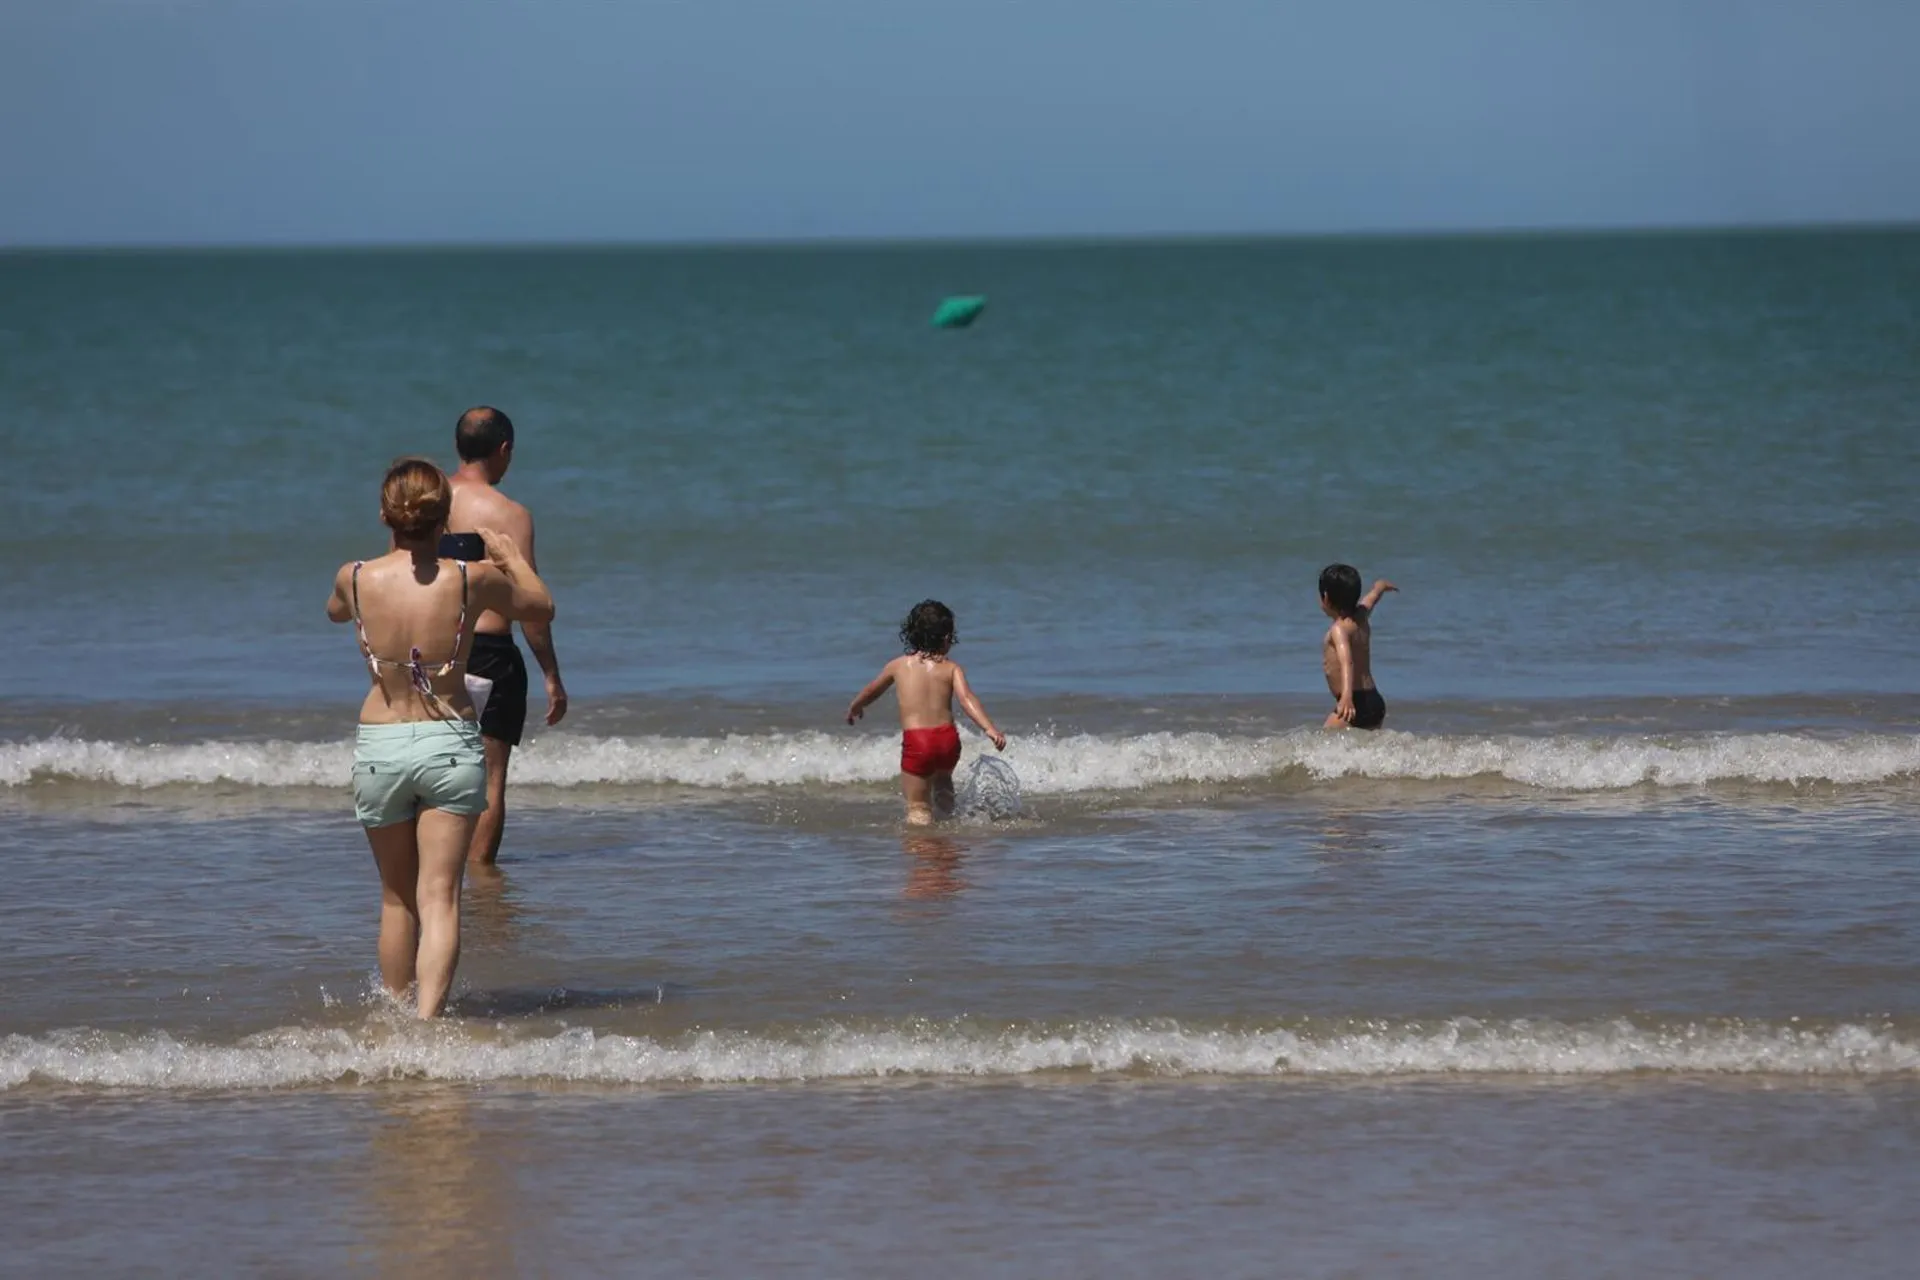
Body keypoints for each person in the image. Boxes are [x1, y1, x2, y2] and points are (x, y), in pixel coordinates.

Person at [327, 457, 555, 1018]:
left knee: (396, 897)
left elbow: (336, 614)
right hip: (448, 741)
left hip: (382, 744)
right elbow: (540, 605)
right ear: (443, 518)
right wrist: (510, 558)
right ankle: (428, 1023)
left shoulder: (353, 577)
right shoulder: (470, 580)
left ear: (386, 514)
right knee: (440, 897)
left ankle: (397, 1013)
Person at [446, 406, 568, 867]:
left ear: (459, 446)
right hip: (491, 655)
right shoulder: (512, 515)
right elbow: (532, 607)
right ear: (504, 450)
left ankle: (437, 872)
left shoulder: (424, 500)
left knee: (437, 767)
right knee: (490, 778)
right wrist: (552, 675)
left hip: (435, 650)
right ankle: (480, 881)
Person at [845, 600, 1008, 824]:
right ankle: (948, 838)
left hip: (918, 742)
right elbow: (967, 699)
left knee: (918, 807)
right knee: (943, 785)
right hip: (947, 741)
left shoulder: (898, 665)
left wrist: (856, 706)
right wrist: (989, 728)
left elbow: (872, 690)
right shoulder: (951, 668)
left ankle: (926, 852)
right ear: (947, 638)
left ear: (911, 634)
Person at [1319, 564, 1396, 730]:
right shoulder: (1361, 615)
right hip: (1374, 701)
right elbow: (1373, 596)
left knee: (1322, 743)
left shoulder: (1338, 630)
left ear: (1325, 597)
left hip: (1354, 701)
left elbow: (1347, 662)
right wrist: (1380, 586)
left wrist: (1346, 697)